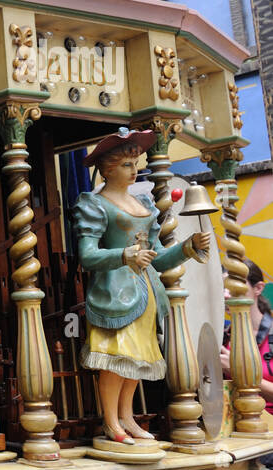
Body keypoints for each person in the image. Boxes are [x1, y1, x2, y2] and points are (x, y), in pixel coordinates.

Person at [74, 128, 209, 443]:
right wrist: (124, 254)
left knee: (137, 360)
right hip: (113, 292)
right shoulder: (95, 204)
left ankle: (127, 417)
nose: (134, 171)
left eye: (136, 163)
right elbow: (87, 255)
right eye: (126, 165)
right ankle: (111, 422)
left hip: (146, 292)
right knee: (116, 361)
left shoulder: (144, 203)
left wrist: (188, 247)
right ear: (108, 168)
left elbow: (159, 259)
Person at [219, 258, 273, 413]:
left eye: (233, 287)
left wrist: (239, 372)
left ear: (258, 288)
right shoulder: (223, 336)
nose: (226, 294)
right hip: (230, 426)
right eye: (223, 288)